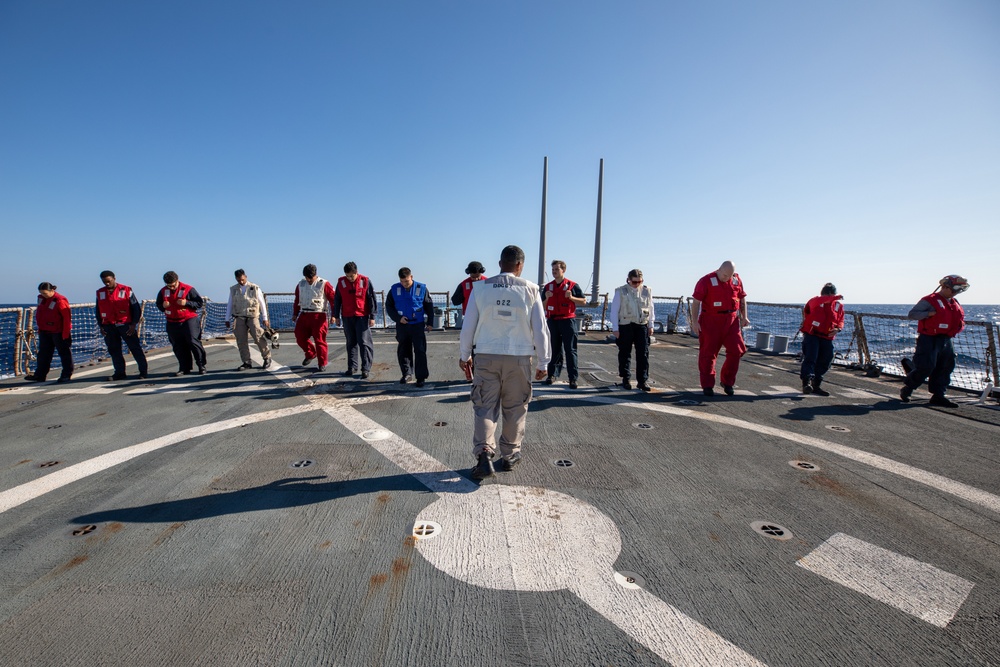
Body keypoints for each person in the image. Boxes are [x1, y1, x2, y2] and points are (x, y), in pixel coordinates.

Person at [459, 245, 551, 481]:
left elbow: (468, 325)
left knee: (484, 406)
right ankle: (510, 454)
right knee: (516, 407)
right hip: (519, 358)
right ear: (520, 265)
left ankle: (484, 453)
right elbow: (540, 329)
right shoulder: (530, 289)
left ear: (500, 264)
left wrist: (464, 355)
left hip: (486, 356)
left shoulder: (480, 288)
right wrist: (544, 361)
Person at [899, 275, 969, 408]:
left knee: (945, 367)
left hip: (946, 339)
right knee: (926, 366)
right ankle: (908, 388)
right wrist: (928, 314)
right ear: (945, 287)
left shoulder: (954, 302)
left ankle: (938, 395)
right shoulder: (929, 300)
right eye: (954, 289)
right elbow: (912, 314)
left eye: (959, 290)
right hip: (929, 338)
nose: (956, 292)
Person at [690, 261, 749, 396]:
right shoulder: (705, 281)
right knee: (708, 353)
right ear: (719, 270)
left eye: (729, 275)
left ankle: (727, 382)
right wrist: (694, 322)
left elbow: (742, 298)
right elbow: (696, 302)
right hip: (711, 320)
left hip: (731, 320)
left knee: (737, 350)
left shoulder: (736, 280)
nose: (726, 278)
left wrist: (744, 316)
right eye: (724, 275)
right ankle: (707, 385)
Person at [95, 270, 148, 381]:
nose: (107, 284)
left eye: (109, 281)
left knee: (135, 348)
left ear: (114, 278)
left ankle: (143, 371)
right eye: (104, 282)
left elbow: (136, 308)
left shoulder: (127, 290)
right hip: (109, 326)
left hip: (125, 325)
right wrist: (101, 326)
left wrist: (133, 324)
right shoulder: (100, 293)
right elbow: (98, 310)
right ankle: (119, 373)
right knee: (114, 350)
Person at [386, 267, 434, 387]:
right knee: (403, 350)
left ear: (411, 277)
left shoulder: (421, 288)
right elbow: (389, 307)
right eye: (402, 281)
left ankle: (421, 377)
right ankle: (407, 373)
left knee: (420, 350)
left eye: (406, 281)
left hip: (417, 325)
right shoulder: (394, 289)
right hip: (402, 325)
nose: (404, 284)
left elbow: (429, 306)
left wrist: (430, 323)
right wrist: (398, 318)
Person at [542, 260, 586, 388]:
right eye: (553, 269)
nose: (554, 271)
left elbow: (583, 301)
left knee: (570, 350)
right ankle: (552, 375)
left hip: (568, 320)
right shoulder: (548, 287)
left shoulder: (572, 285)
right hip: (553, 320)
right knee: (554, 349)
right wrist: (547, 298)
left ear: (563, 270)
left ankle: (573, 378)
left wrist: (571, 298)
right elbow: (541, 305)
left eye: (556, 269)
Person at [609, 269, 654, 391]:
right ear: (628, 280)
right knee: (625, 353)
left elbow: (650, 307)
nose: (637, 284)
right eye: (634, 282)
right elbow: (614, 311)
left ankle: (642, 380)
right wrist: (615, 328)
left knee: (643, 354)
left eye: (639, 281)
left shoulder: (647, 290)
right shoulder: (621, 291)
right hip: (625, 325)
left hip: (641, 325)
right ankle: (626, 378)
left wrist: (651, 325)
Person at [156, 271, 207, 376]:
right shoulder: (163, 291)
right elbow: (159, 304)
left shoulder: (188, 289)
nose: (171, 288)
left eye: (173, 285)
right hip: (172, 321)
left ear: (177, 281)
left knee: (193, 341)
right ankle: (184, 367)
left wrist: (187, 303)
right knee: (178, 345)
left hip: (188, 319)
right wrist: (163, 306)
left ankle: (201, 365)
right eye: (169, 286)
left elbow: (199, 303)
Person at [799, 283, 844, 396]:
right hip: (812, 334)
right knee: (810, 358)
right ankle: (806, 383)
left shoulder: (838, 306)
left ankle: (816, 384)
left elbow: (840, 320)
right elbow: (819, 302)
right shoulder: (815, 301)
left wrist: (838, 329)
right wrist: (836, 297)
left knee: (826, 359)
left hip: (827, 337)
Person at [332, 262, 376, 378]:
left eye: (352, 276)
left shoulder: (365, 281)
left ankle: (365, 368)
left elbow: (371, 299)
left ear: (356, 272)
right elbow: (337, 300)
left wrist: (372, 316)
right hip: (347, 317)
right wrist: (336, 316)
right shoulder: (341, 282)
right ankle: (352, 367)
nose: (350, 278)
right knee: (351, 342)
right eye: (347, 276)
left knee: (364, 342)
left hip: (362, 316)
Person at [25, 282, 73, 383]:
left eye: (45, 293)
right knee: (43, 354)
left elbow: (66, 318)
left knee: (64, 354)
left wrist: (66, 333)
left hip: (58, 331)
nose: (43, 295)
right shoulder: (41, 298)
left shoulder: (60, 300)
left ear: (52, 291)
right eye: (41, 293)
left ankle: (66, 374)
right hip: (44, 331)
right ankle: (40, 375)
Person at [225, 269, 272, 371]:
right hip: (239, 317)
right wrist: (227, 318)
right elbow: (230, 304)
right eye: (238, 280)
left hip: (252, 316)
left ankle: (267, 358)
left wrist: (265, 318)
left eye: (242, 279)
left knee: (258, 337)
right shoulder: (233, 289)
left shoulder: (254, 288)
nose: (241, 282)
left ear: (245, 276)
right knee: (241, 341)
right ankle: (246, 362)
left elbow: (262, 303)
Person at [293, 263, 336, 372]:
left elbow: (333, 300)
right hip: (304, 314)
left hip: (319, 315)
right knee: (299, 336)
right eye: (307, 278)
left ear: (315, 275)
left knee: (320, 341)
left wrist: (334, 316)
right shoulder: (301, 284)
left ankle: (322, 363)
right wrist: (295, 313)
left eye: (310, 278)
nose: (309, 280)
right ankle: (311, 353)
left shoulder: (324, 284)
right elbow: (297, 299)